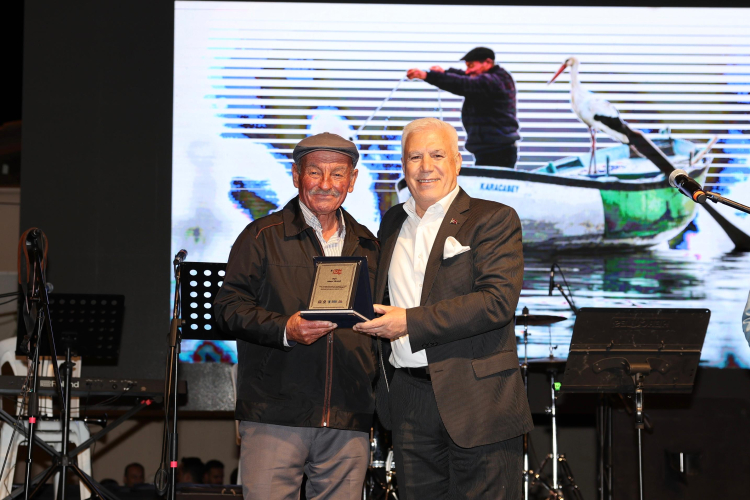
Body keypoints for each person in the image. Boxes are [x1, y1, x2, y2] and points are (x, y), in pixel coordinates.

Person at [354, 118, 532, 499]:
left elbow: (496, 302)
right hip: (409, 400)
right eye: (414, 157)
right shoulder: (392, 222)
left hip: (478, 399)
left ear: (457, 161)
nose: (425, 167)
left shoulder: (493, 218)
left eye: (437, 155)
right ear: (403, 165)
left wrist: (409, 322)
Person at [214, 132, 380, 500]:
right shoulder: (261, 236)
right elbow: (227, 309)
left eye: (338, 174)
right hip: (275, 413)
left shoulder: (371, 245)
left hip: (348, 416)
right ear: (296, 176)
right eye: (315, 172)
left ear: (352, 180)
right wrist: (285, 329)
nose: (326, 184)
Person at [406, 47, 520, 168]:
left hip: (497, 151)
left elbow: (464, 83)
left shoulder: (494, 81)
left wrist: (427, 76)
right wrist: (444, 73)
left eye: (471, 66)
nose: (468, 71)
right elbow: (464, 77)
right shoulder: (494, 78)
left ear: (487, 62)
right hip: (491, 149)